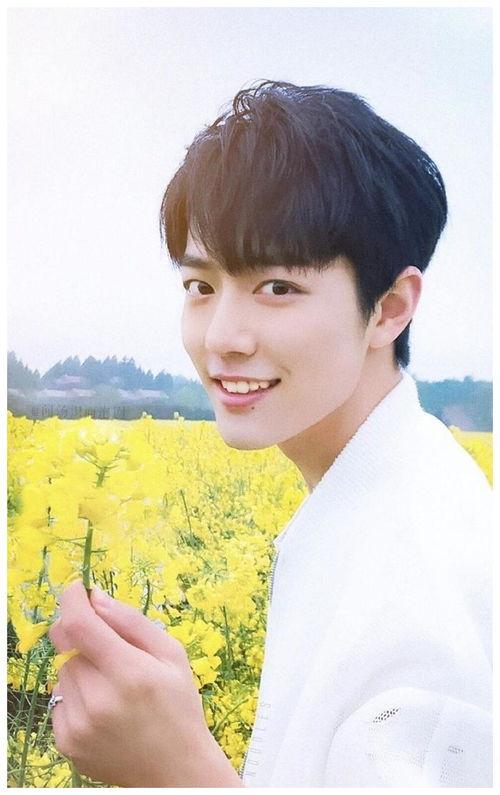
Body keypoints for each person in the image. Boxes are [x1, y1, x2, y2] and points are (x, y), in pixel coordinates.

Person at [49, 81, 492, 787]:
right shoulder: (387, 495)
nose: (222, 337)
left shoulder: (419, 588)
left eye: (277, 287)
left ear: (389, 307)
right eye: (201, 287)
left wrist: (178, 769)